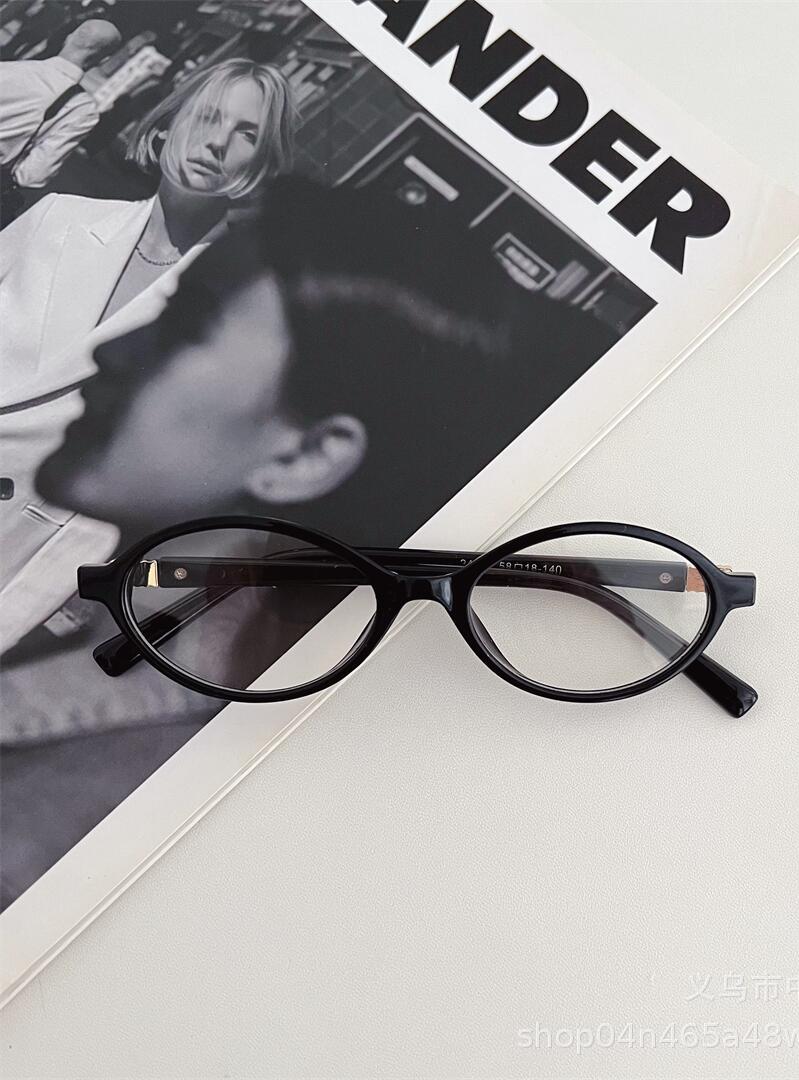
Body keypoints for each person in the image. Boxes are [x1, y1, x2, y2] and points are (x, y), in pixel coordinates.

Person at [0, 175, 564, 907]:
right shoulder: (127, 629)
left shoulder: (105, 789)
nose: (112, 351)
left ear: (304, 456)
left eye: (186, 328)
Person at [0, 57, 297, 654]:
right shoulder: (59, 217)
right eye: (208, 116)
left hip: (25, 546)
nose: (218, 141)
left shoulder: (237, 314)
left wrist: (67, 601)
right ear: (166, 125)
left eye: (246, 133)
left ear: (263, 164)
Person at [0, 19, 120, 192]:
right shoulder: (82, 110)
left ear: (68, 38)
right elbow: (33, 175)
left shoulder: (7, 69)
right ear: (104, 59)